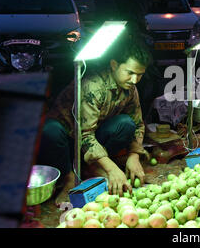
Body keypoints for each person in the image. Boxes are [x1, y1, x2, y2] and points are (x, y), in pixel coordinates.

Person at [37, 33, 152, 204]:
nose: (135, 80)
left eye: (140, 74)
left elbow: (137, 124)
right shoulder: (93, 86)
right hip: (67, 142)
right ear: (114, 65)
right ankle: (69, 178)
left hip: (92, 141)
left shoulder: (130, 88)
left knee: (125, 124)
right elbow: (84, 135)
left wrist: (134, 155)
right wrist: (112, 167)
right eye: (130, 73)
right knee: (50, 130)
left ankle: (93, 168)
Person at [94, 0, 174, 121]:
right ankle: (125, 127)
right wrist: (117, 26)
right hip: (121, 29)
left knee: (146, 80)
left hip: (134, 27)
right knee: (133, 81)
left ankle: (136, 126)